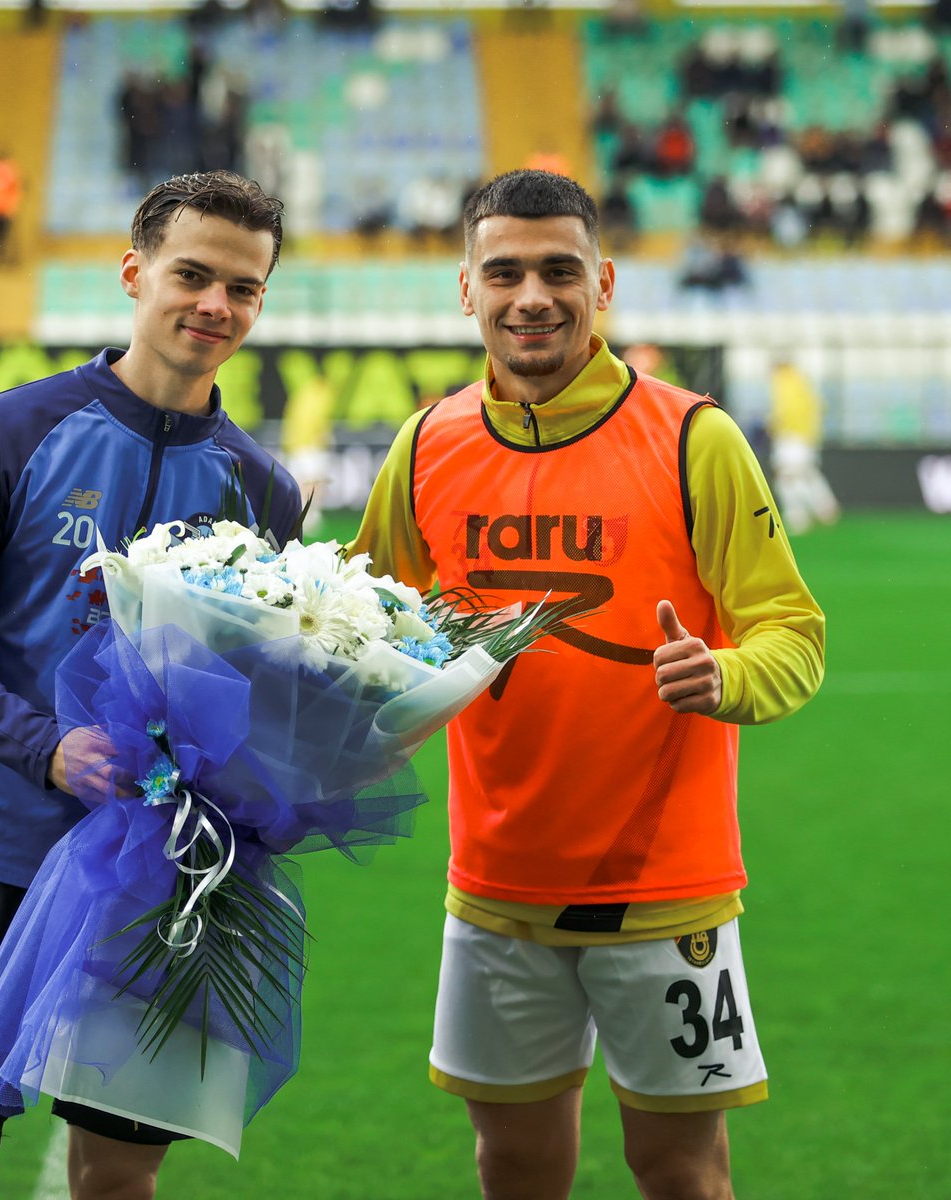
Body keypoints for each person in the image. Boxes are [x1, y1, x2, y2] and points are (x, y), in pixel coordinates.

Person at [347, 170, 825, 1200]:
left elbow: (793, 631)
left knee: (680, 1170)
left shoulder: (695, 436)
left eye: (560, 271)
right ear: (465, 291)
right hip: (495, 888)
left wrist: (726, 672)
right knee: (513, 1164)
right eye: (505, 271)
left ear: (601, 282)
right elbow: (368, 624)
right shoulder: (427, 444)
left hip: (667, 891)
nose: (533, 296)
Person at [0, 171, 301, 1200]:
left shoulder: (265, 491)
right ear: (134, 272)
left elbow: (264, 687)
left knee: (116, 1182)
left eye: (242, 288)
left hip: (154, 882)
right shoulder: (7, 431)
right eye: (193, 274)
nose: (215, 304)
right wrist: (46, 747)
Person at [767, 358, 841, 534]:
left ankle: (797, 515)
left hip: (791, 437)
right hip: (807, 437)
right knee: (806, 473)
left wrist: (772, 424)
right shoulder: (803, 383)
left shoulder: (784, 383)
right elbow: (821, 406)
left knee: (787, 476)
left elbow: (783, 411)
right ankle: (826, 508)